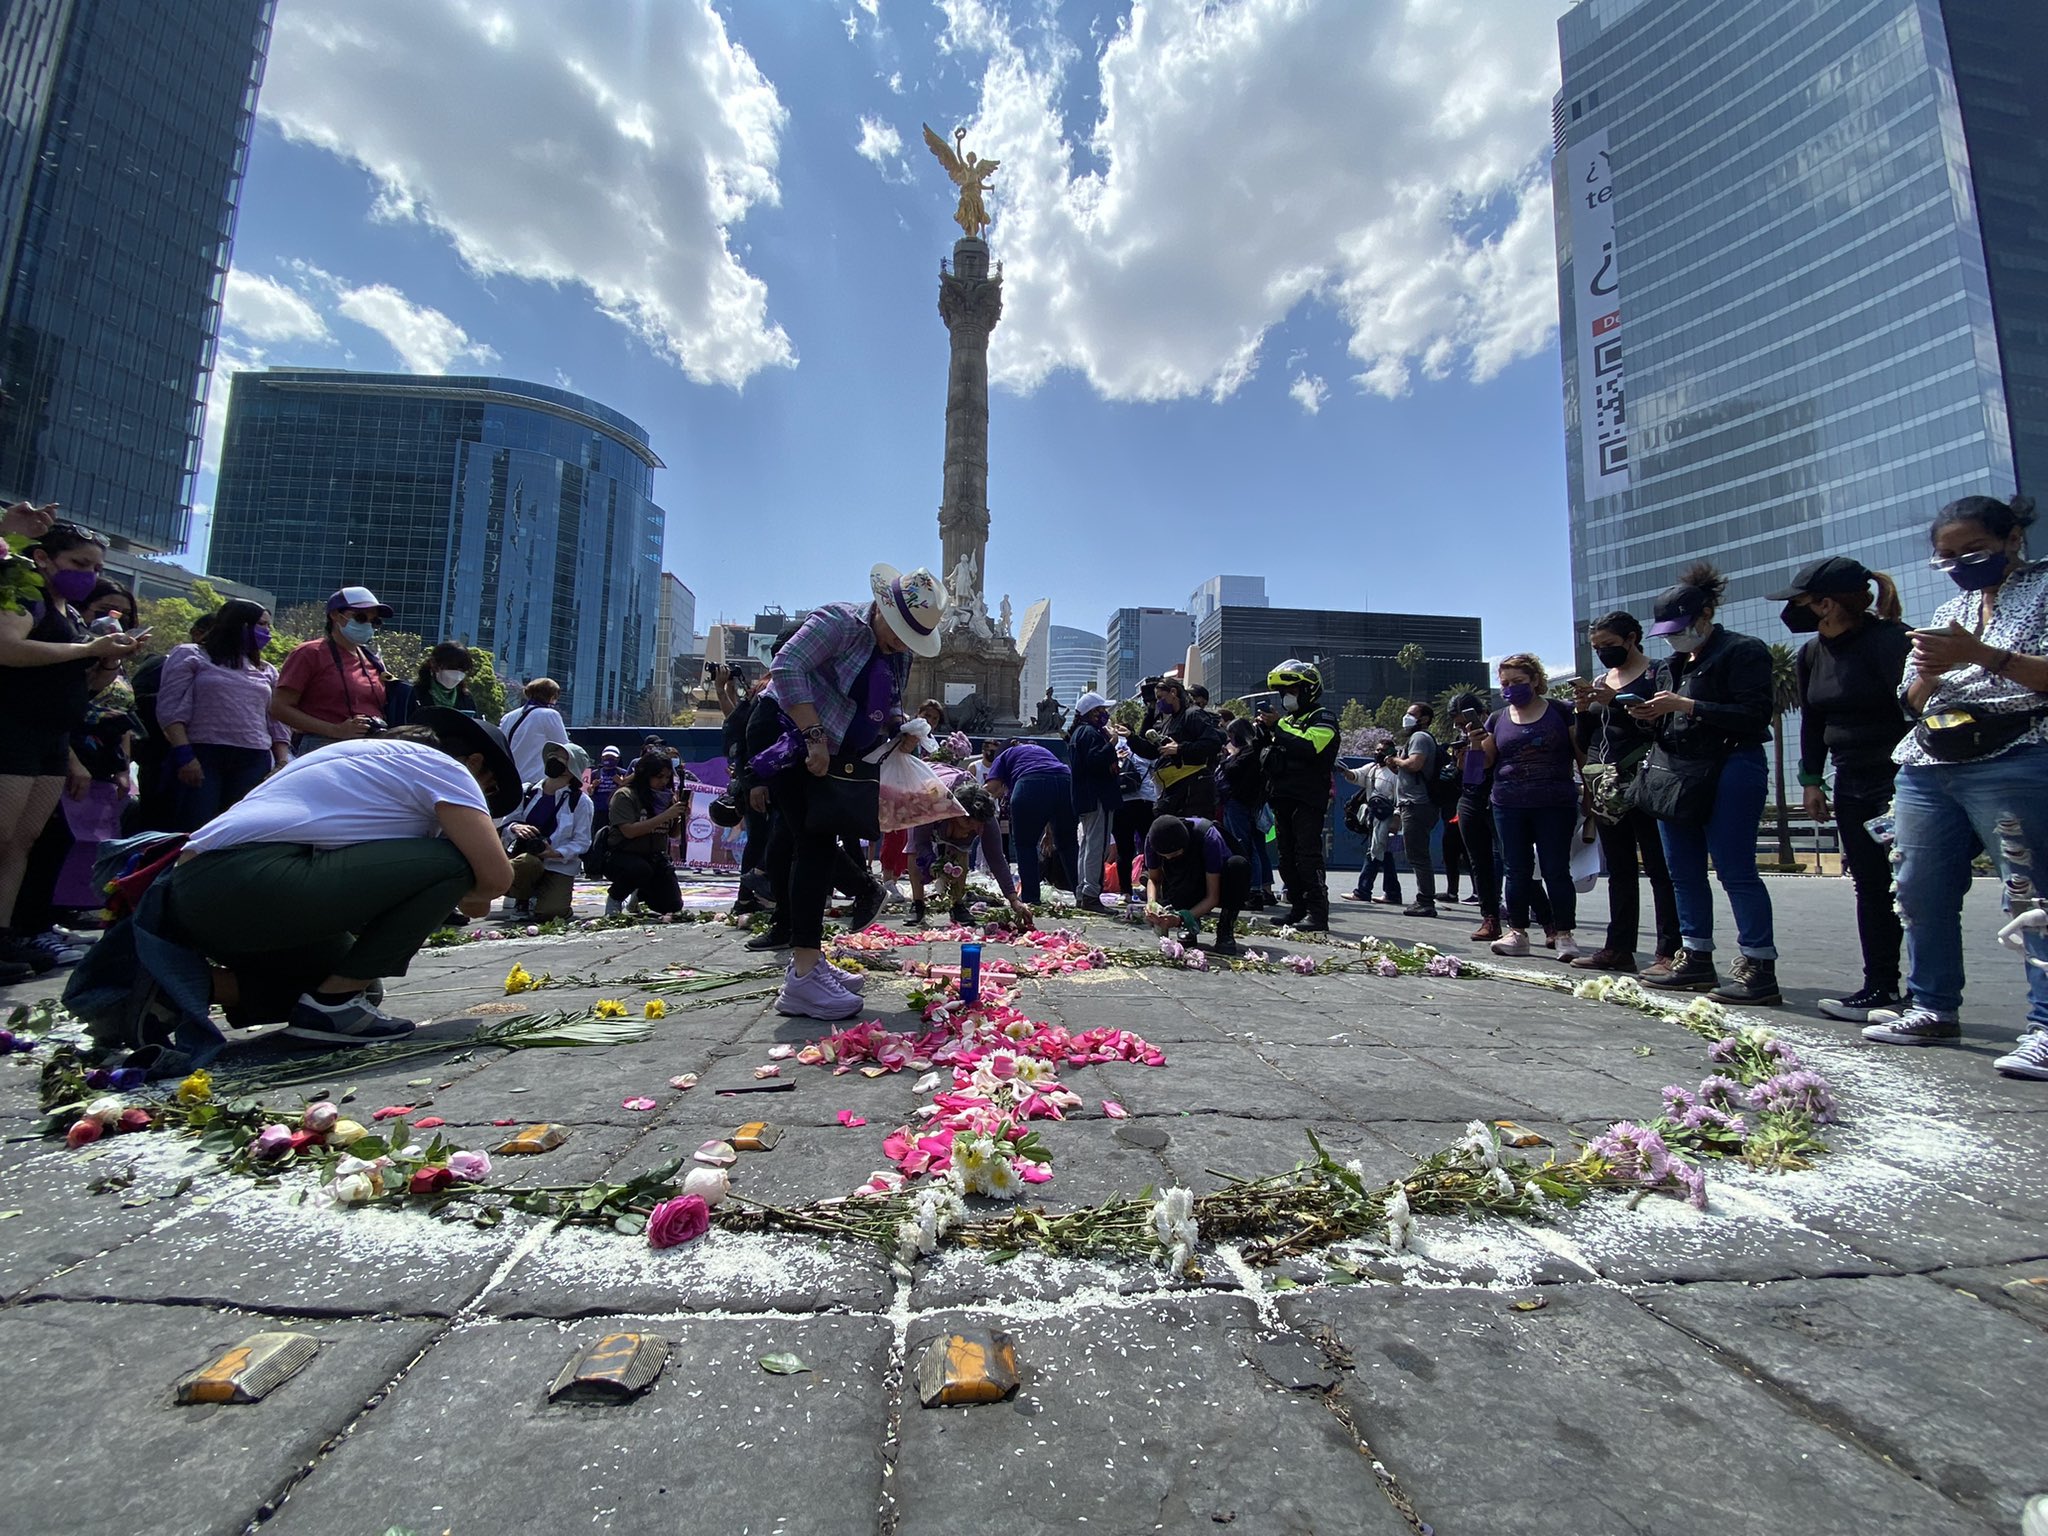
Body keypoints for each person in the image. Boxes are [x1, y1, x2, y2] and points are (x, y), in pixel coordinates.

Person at [158, 707, 519, 1043]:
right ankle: (334, 1006)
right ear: (474, 762)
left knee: (356, 985)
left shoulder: (352, 760)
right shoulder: (445, 767)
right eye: (488, 789)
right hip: (246, 877)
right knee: (453, 861)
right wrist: (469, 880)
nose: (482, 802)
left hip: (194, 896)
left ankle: (171, 986)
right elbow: (495, 879)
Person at [1862, 493, 2048, 1079]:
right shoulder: (1952, 607)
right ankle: (1932, 1005)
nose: (1959, 563)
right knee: (1918, 885)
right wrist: (1931, 674)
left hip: (2013, 752)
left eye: (1973, 550)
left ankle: (2045, 1026)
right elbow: (1909, 701)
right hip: (1929, 759)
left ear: (2012, 539)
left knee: (2029, 891)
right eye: (1946, 556)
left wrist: (1983, 655)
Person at [762, 562, 946, 1021]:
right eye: (901, 631)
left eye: (912, 637)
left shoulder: (896, 653)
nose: (904, 643)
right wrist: (813, 735)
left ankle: (808, 962)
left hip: (827, 744)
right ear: (883, 609)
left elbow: (883, 704)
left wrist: (901, 728)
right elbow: (786, 667)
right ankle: (803, 976)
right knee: (814, 844)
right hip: (784, 732)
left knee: (817, 843)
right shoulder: (840, 623)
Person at [1630, 560, 1780, 1004]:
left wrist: (1689, 705)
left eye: (1682, 627)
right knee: (1682, 871)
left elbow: (1755, 715)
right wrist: (1648, 716)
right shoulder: (1667, 667)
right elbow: (1664, 727)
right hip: (1677, 771)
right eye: (1669, 630)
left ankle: (1758, 963)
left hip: (1732, 763)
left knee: (1735, 869)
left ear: (1706, 616)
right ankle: (1694, 956)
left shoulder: (1742, 651)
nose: (1676, 637)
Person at [1771, 558, 1911, 1020]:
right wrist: (1811, 781)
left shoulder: (1892, 641)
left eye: (1801, 603)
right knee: (1870, 886)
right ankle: (1881, 986)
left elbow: (1915, 710)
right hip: (1849, 779)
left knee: (1913, 887)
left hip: (1900, 778)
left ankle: (1931, 993)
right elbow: (1813, 720)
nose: (1793, 612)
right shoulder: (1812, 653)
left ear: (1827, 604)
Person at [0, 522, 141, 977]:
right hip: (12, 731)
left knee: (21, 842)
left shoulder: (75, 615)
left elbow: (85, 685)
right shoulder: (27, 597)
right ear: (43, 558)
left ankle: (4, 935)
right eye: (80, 564)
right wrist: (86, 651)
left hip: (52, 739)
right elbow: (8, 648)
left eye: (96, 567)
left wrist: (106, 659)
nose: (89, 574)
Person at [1571, 612, 1682, 974]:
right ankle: (1619, 946)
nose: (1603, 652)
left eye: (1609, 645)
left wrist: (1615, 700)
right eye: (1597, 647)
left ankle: (1670, 950)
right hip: (1610, 783)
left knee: (1658, 866)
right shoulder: (1604, 680)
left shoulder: (1658, 672)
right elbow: (1591, 737)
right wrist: (1585, 710)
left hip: (1649, 780)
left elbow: (1661, 721)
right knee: (1619, 868)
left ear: (1632, 638)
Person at [1486, 654, 1589, 960]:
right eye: (1505, 684)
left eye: (1518, 682)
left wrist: (1591, 796)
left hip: (1554, 803)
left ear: (1534, 680)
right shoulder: (1497, 718)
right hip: (1508, 803)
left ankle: (1564, 934)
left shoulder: (1561, 712)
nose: (1510, 689)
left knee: (1556, 869)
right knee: (1515, 870)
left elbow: (1581, 755)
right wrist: (1476, 744)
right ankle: (1517, 932)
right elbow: (1486, 763)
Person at [156, 599, 290, 831]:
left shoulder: (266, 669)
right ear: (238, 624)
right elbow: (170, 707)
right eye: (261, 624)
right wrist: (185, 755)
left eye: (269, 626)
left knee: (239, 830)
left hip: (253, 758)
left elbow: (276, 720)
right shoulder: (191, 655)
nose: (267, 632)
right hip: (203, 755)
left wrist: (281, 762)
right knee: (196, 827)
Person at [1261, 660, 1338, 930]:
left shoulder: (1323, 717)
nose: (1286, 696)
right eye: (1283, 692)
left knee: (1307, 856)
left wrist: (1278, 728)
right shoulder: (1286, 722)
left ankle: (1317, 913)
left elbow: (1310, 746)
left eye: (1291, 689)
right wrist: (1266, 731)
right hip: (1282, 797)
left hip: (1307, 798)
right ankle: (1297, 908)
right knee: (1286, 857)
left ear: (1308, 689)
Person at [271, 586, 393, 752]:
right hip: (323, 746)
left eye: (374, 621)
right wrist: (335, 730)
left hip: (368, 748)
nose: (368, 625)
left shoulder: (372, 659)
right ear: (335, 615)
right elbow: (279, 708)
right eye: (360, 617)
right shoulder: (310, 653)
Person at [907, 780, 1032, 928]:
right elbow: (921, 842)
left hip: (954, 819)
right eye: (967, 823)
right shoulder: (932, 806)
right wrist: (931, 863)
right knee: (913, 851)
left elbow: (996, 859)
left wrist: (1014, 900)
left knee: (960, 851)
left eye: (977, 826)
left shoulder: (986, 820)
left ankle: (957, 904)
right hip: (927, 801)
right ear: (956, 814)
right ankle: (918, 903)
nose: (971, 830)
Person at [503, 742, 594, 921]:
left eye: (561, 757)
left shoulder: (581, 802)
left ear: (571, 768)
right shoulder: (527, 791)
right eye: (553, 755)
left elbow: (582, 842)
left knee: (551, 914)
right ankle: (522, 899)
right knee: (527, 863)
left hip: (559, 865)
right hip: (526, 858)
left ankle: (547, 901)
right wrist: (515, 827)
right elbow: (506, 824)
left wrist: (556, 853)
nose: (554, 759)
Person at [983, 738, 1078, 906]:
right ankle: (1082, 894)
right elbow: (1051, 782)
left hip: (1030, 784)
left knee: (1025, 844)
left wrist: (963, 797)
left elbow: (992, 788)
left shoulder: (1004, 755)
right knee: (1068, 844)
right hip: (1066, 782)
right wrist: (1049, 833)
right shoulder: (1042, 751)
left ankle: (1031, 897)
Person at [1141, 813, 1250, 956]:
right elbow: (1154, 879)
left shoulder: (1208, 838)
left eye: (1174, 854)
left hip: (1218, 880)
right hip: (1185, 879)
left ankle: (1225, 928)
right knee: (1175, 869)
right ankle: (1191, 922)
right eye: (1164, 856)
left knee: (1238, 866)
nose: (1168, 858)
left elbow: (1213, 897)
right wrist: (1151, 903)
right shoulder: (1153, 840)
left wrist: (1181, 918)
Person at [1125, 676, 1222, 818]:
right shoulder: (1169, 721)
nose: (1159, 702)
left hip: (1192, 789)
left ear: (1173, 692)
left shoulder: (1193, 714)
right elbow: (1152, 751)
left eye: (1160, 697)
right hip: (1172, 788)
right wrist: (1130, 737)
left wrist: (1180, 748)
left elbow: (1213, 744)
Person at [604, 753, 686, 918]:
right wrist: (665, 815)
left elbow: (673, 833)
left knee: (672, 905)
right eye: (659, 777)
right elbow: (629, 831)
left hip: (654, 856)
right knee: (640, 870)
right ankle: (615, 897)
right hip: (623, 854)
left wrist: (682, 817)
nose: (663, 782)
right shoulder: (625, 795)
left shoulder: (667, 797)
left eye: (667, 777)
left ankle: (639, 893)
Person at [1067, 691, 1120, 912]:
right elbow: (1095, 761)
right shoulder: (1089, 733)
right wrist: (1112, 744)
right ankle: (1090, 893)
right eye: (1101, 710)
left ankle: (1083, 891)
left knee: (1088, 845)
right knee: (1096, 846)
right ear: (1092, 712)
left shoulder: (1080, 733)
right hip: (1097, 796)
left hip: (1087, 797)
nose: (1105, 714)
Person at [1389, 700, 1443, 918]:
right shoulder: (1414, 738)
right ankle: (1424, 898)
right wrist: (1397, 765)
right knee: (1417, 852)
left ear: (1424, 719)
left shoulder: (1420, 737)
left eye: (1411, 714)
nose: (1407, 717)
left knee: (1417, 854)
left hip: (1417, 804)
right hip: (1414, 803)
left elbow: (1415, 764)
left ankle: (1425, 901)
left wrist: (1397, 760)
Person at [1217, 717, 1272, 910]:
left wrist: (1229, 755)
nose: (1230, 739)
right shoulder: (1252, 751)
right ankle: (1250, 888)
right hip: (1241, 802)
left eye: (1232, 735)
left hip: (1240, 802)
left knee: (1244, 846)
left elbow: (1232, 770)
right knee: (1244, 845)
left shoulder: (1250, 752)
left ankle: (1253, 890)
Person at [1341, 741, 1403, 905]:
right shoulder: (1372, 768)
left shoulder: (1395, 774)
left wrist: (1396, 820)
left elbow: (1399, 798)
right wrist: (1344, 771)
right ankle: (1392, 893)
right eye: (1377, 749)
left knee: (1374, 853)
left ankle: (1363, 891)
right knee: (1385, 855)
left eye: (1382, 750)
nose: (1378, 753)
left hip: (1387, 819)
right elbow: (1356, 775)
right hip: (1374, 818)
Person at [1111, 732, 1157, 911]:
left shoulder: (1116, 746)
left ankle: (1125, 892)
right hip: (1146, 801)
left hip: (1121, 803)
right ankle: (1153, 886)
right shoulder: (1144, 748)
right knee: (1151, 846)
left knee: (1124, 849)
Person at [500, 677, 572, 790]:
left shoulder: (508, 717)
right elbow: (565, 747)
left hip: (509, 780)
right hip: (534, 782)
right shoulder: (549, 715)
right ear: (552, 696)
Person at [405, 642, 480, 720]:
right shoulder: (416, 694)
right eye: (452, 667)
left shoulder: (466, 698)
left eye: (462, 670)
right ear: (434, 665)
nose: (457, 674)